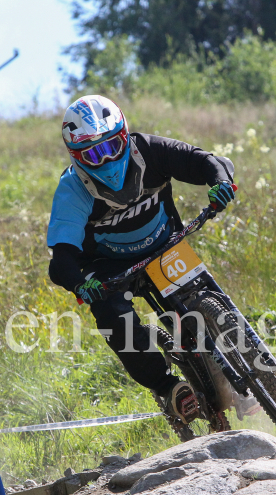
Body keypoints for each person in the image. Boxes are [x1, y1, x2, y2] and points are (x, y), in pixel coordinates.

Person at [46, 95, 235, 424]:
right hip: (108, 269)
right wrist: (80, 284)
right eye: (92, 153)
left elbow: (208, 161)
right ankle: (168, 387)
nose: (105, 159)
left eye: (112, 146)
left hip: (164, 245)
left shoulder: (149, 150)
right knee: (111, 315)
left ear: (125, 135)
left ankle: (241, 359)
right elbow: (60, 261)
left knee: (202, 299)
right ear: (76, 157)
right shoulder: (72, 190)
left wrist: (220, 183)